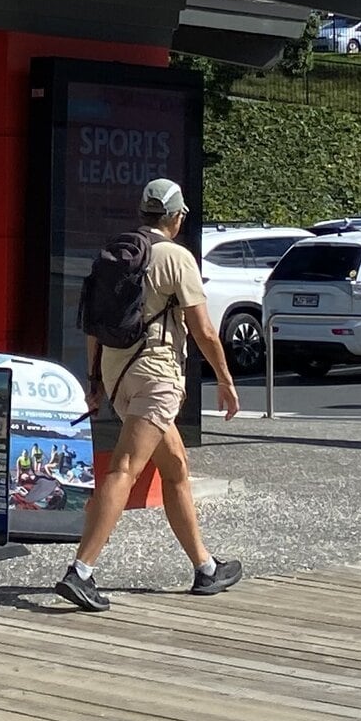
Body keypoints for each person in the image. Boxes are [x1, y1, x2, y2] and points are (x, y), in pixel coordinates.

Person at [55, 177, 242, 612]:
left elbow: (93, 324)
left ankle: (205, 567)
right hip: (156, 375)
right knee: (124, 468)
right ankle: (80, 571)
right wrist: (226, 380)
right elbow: (205, 330)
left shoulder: (117, 252)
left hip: (119, 375)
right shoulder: (177, 257)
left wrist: (95, 380)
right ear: (176, 217)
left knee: (175, 467)